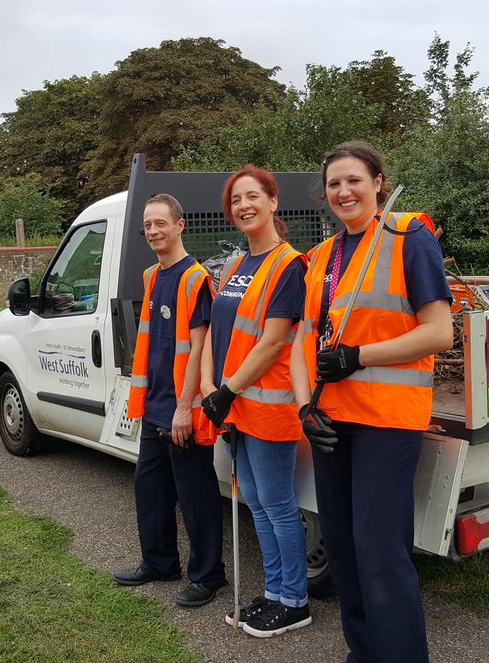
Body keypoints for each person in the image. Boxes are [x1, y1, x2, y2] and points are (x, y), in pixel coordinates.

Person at [291, 141, 453, 662]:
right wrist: (303, 406)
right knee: (342, 549)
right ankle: (363, 653)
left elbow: (439, 333)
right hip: (332, 421)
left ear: (379, 182)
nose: (344, 191)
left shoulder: (409, 237)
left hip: (386, 422)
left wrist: (358, 355)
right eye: (334, 184)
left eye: (354, 180)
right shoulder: (321, 258)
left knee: (381, 553)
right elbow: (302, 343)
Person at [199, 165, 310, 638]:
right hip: (233, 404)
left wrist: (226, 391)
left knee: (277, 503)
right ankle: (273, 592)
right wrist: (209, 388)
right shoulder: (236, 264)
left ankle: (295, 601)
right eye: (235, 201)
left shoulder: (289, 265)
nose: (243, 206)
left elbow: (271, 342)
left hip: (266, 403)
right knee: (256, 505)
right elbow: (215, 332)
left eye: (252, 197)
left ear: (272, 202)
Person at [113, 193, 227, 608]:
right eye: (147, 225)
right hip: (154, 406)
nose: (153, 231)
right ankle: (159, 562)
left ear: (180, 225)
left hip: (184, 411)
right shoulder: (150, 276)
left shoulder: (195, 278)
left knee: (196, 497)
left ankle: (209, 575)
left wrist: (184, 407)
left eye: (161, 223)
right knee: (151, 490)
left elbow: (199, 349)